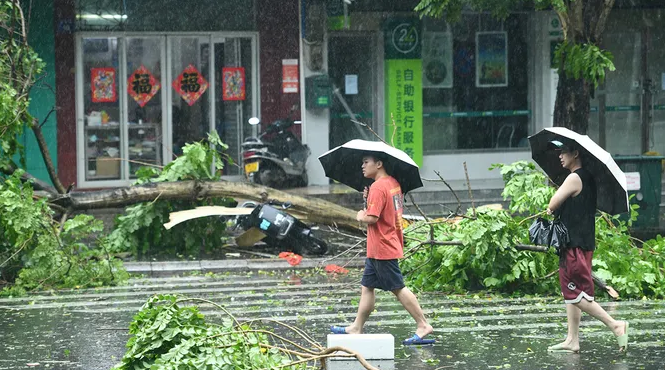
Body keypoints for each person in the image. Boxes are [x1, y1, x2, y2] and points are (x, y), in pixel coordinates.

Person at [330, 154, 434, 345]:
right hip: (385, 242)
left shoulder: (378, 187)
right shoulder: (392, 183)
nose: (362, 166)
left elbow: (373, 218)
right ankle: (356, 327)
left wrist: (361, 215)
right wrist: (368, 201)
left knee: (398, 288)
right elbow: (385, 210)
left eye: (366, 162)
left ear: (379, 164)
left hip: (382, 246)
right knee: (367, 286)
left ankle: (423, 324)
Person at [546, 140, 628, 353]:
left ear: (576, 153)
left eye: (564, 152)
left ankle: (615, 325)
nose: (560, 156)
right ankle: (572, 340)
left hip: (574, 244)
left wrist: (552, 206)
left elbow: (552, 204)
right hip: (582, 242)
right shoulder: (588, 178)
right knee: (571, 293)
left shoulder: (574, 178)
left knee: (575, 291)